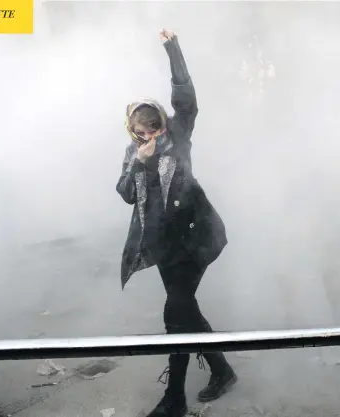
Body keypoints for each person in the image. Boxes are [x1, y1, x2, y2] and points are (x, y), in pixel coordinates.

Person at [116, 29, 237, 417]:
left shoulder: (178, 137)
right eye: (141, 132)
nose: (148, 137)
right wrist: (140, 162)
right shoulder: (132, 153)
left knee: (176, 315)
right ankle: (222, 371)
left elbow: (186, 101)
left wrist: (173, 48)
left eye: (155, 129)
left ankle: (174, 400)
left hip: (194, 242)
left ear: (163, 125)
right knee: (187, 312)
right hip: (163, 247)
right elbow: (126, 193)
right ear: (133, 129)